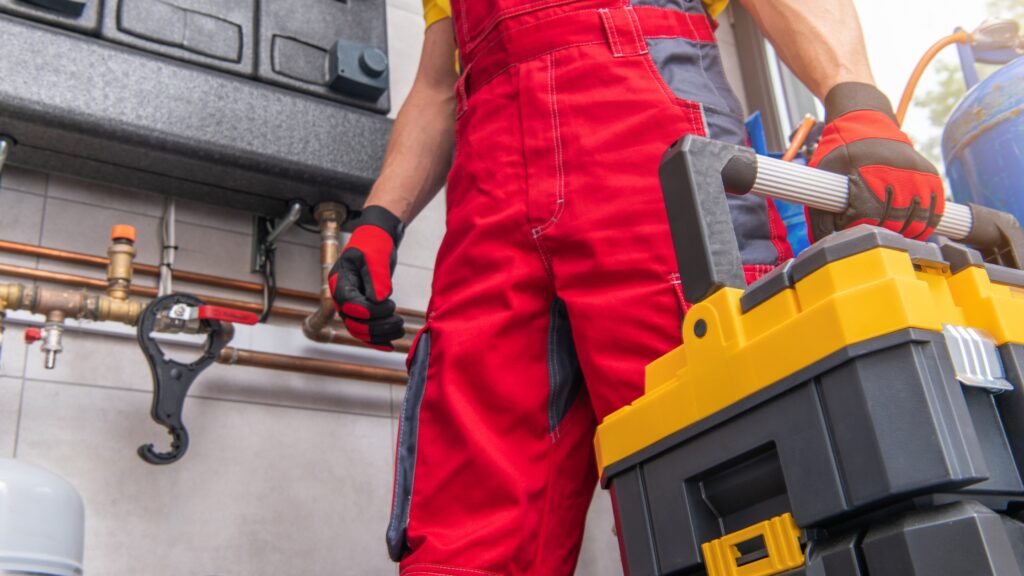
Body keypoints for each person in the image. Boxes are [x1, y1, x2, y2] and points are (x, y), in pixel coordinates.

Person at [328, 0, 945, 573]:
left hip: (646, 143)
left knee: (725, 477)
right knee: (465, 522)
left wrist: (857, 100)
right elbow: (438, 85)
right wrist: (380, 221)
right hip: (489, 193)